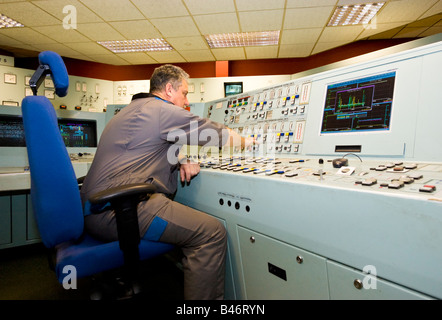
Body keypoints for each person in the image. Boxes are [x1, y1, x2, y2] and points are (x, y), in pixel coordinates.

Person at [80, 64, 253, 300]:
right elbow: (213, 133)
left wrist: (181, 158)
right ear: (169, 90)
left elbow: (144, 148)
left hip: (97, 210)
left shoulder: (131, 111)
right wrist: (248, 141)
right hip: (119, 213)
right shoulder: (161, 111)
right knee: (211, 233)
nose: (186, 100)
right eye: (184, 93)